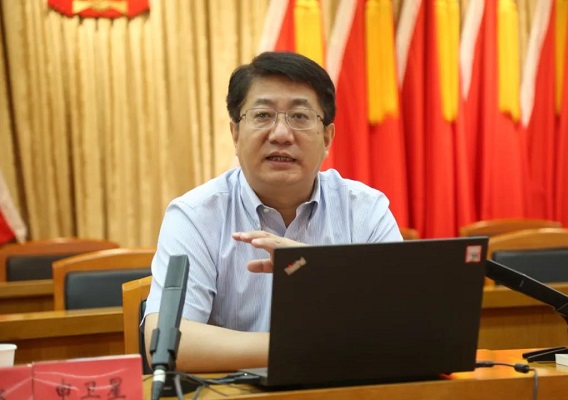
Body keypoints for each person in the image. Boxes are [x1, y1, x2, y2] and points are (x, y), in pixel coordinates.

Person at [144, 51, 402, 373]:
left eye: (300, 116)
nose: (281, 134)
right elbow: (168, 342)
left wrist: (319, 273)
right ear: (235, 134)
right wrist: (299, 345)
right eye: (263, 115)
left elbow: (404, 325)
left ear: (326, 138)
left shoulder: (365, 210)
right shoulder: (195, 216)